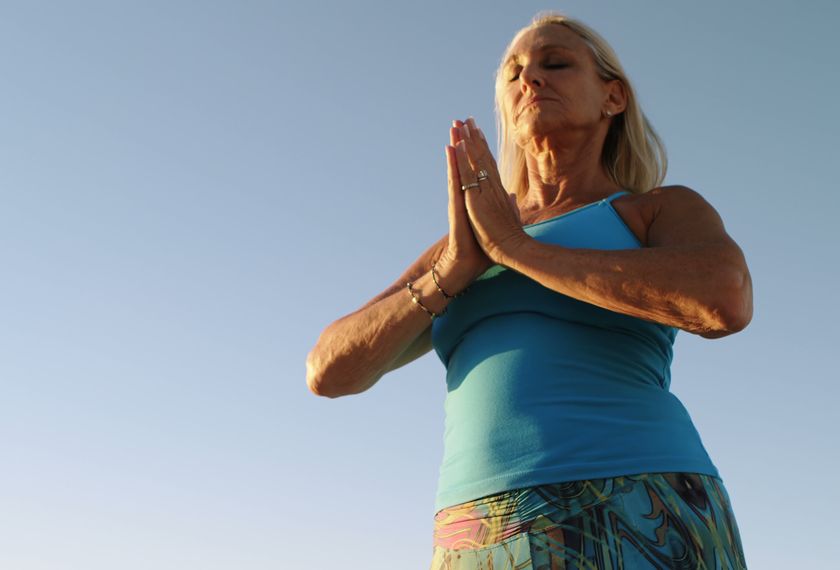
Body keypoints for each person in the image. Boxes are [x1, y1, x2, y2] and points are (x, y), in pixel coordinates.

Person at [306, 11, 752, 569]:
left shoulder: (655, 209)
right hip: (475, 525)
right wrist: (452, 271)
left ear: (613, 98)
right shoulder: (463, 245)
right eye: (514, 73)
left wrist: (518, 249)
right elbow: (328, 370)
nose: (531, 79)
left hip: (640, 497)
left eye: (556, 63)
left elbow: (724, 298)